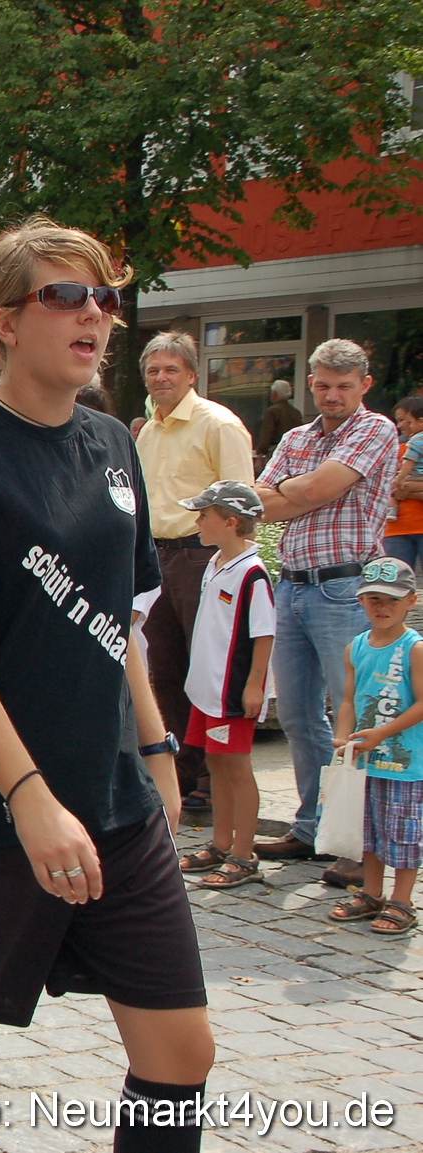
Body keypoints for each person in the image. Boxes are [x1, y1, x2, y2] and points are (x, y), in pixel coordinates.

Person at [0, 218, 211, 1153]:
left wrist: (154, 749)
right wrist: (28, 798)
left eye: (103, 296)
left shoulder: (112, 441)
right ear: (3, 322)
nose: (93, 315)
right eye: (64, 296)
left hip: (112, 798)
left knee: (181, 1049)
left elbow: (125, 620)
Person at [251, 339, 398, 889]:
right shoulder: (296, 435)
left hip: (345, 587)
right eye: (323, 385)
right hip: (291, 586)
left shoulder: (376, 429)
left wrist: (297, 491)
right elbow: (262, 505)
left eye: (343, 386)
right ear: (309, 383)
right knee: (296, 718)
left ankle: (362, 844)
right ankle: (314, 827)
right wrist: (301, 493)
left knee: (356, 720)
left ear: (364, 385)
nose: (332, 396)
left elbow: (309, 489)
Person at [134, 331, 255, 812]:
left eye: (171, 370)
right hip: (157, 557)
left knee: (208, 670)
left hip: (203, 558)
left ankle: (210, 777)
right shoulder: (147, 431)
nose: (161, 378)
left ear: (191, 374)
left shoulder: (218, 424)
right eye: (153, 371)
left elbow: (242, 503)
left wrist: (228, 563)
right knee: (162, 669)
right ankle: (177, 773)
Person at [172, 481, 274, 889]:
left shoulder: (252, 573)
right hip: (207, 688)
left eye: (204, 516)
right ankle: (220, 841)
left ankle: (243, 853)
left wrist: (254, 685)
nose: (197, 522)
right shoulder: (216, 564)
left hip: (231, 691)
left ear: (231, 523)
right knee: (215, 764)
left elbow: (263, 633)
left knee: (235, 767)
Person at [327, 558, 423, 936]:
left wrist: (383, 733)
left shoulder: (414, 648)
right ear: (361, 601)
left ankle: (402, 899)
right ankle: (371, 891)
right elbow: (348, 699)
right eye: (373, 599)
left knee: (402, 832)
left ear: (410, 601)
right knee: (367, 830)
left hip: (405, 762)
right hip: (366, 761)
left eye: (391, 600)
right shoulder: (356, 647)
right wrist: (343, 735)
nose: (382, 608)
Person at [383, 396, 423, 569]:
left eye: (402, 420)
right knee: (395, 586)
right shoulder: (392, 448)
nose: (399, 426)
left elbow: (396, 487)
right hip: (395, 529)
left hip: (404, 525)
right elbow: (384, 486)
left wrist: (406, 489)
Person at [255, 378, 304, 470]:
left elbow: (266, 433)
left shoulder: (273, 411)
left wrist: (260, 455)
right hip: (294, 452)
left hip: (276, 451)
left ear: (274, 394)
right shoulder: (295, 412)